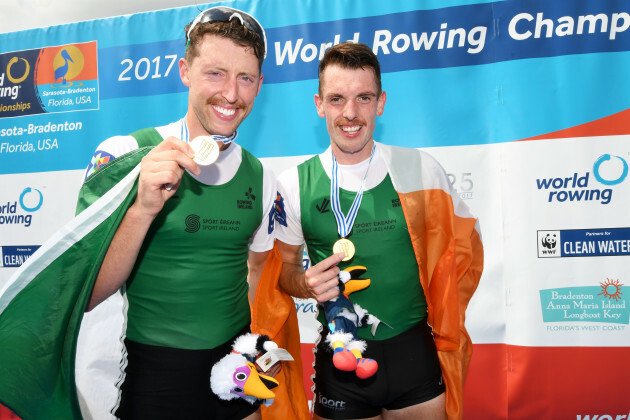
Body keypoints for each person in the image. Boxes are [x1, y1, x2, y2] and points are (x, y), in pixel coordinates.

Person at [79, 6, 295, 419]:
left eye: (245, 78)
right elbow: (86, 293)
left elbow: (256, 271)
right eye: (215, 73)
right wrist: (142, 209)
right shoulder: (124, 156)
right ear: (184, 70)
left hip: (233, 375)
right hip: (149, 379)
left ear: (260, 84)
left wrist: (245, 351)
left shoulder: (262, 177)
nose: (231, 94)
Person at [275, 42, 483, 420]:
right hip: (341, 363)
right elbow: (282, 271)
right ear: (319, 104)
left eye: (364, 97)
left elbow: (464, 250)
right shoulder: (293, 184)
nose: (350, 113)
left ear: (381, 102)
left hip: (414, 358)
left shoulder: (421, 169)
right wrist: (304, 283)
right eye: (336, 99)